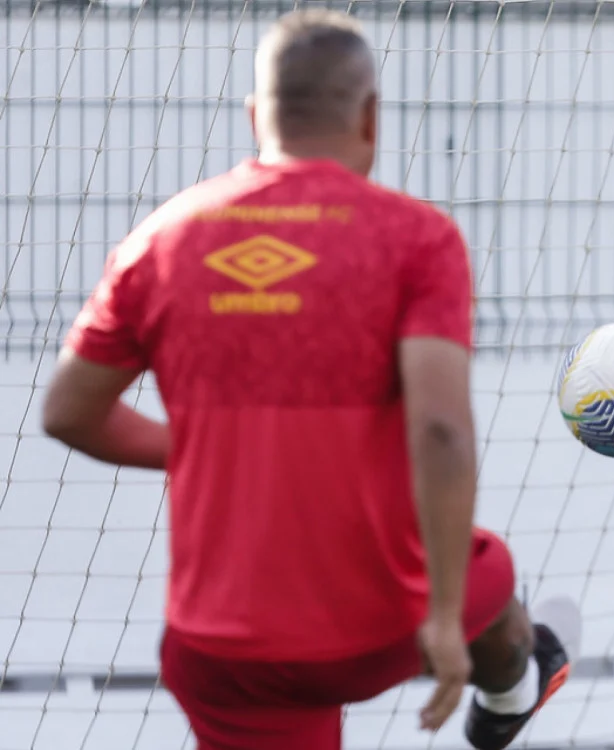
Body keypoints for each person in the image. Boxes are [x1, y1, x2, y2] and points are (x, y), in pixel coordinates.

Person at [40, 9, 579, 750]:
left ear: (257, 116)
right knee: (489, 568)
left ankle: (515, 681)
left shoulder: (160, 241)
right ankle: (515, 683)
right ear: (372, 118)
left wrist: (209, 445)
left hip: (225, 652)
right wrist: (446, 616)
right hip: (378, 625)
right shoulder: (416, 239)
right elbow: (442, 431)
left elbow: (69, 413)